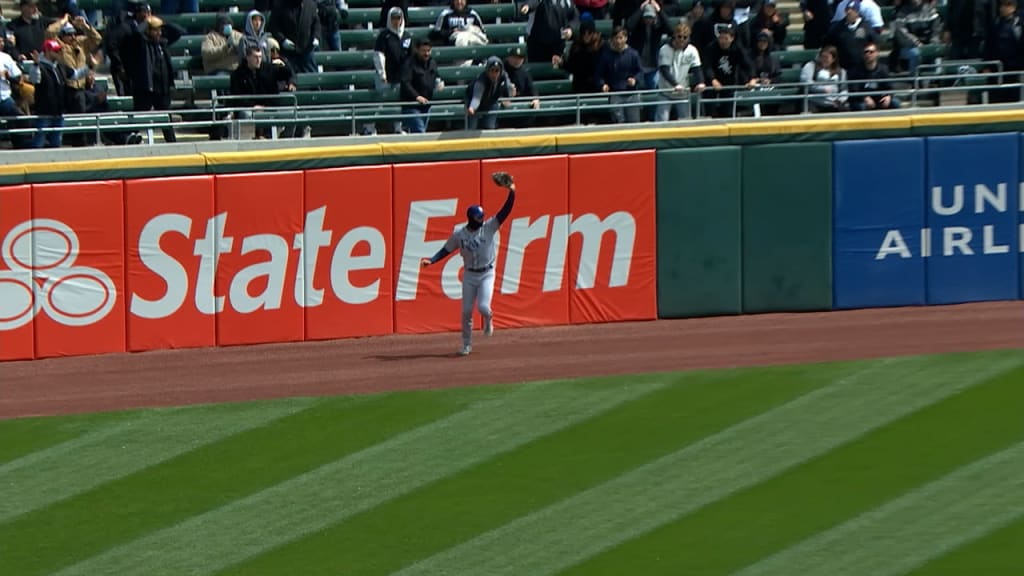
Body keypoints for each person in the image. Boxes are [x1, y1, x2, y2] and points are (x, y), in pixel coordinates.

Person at [419, 172, 517, 356]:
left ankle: (488, 319)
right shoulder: (459, 234)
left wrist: (512, 191)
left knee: (483, 307)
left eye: (482, 217)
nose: (482, 220)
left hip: (487, 272)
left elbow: (506, 211)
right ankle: (466, 344)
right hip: (470, 275)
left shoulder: (489, 226)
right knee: (466, 312)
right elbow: (446, 250)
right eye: (479, 218)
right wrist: (431, 260)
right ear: (472, 219)